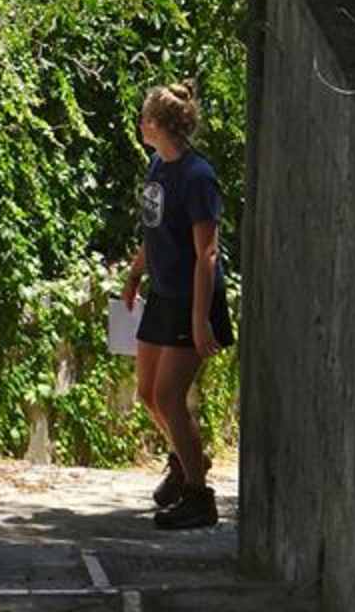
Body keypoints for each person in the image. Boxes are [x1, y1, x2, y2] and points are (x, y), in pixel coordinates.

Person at [121, 81, 233, 530]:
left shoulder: (197, 177)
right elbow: (152, 232)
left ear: (157, 125)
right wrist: (134, 275)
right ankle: (185, 462)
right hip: (164, 296)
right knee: (149, 393)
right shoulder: (156, 167)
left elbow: (207, 253)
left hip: (193, 298)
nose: (140, 123)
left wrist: (200, 319)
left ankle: (198, 497)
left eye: (145, 117)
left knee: (170, 395)